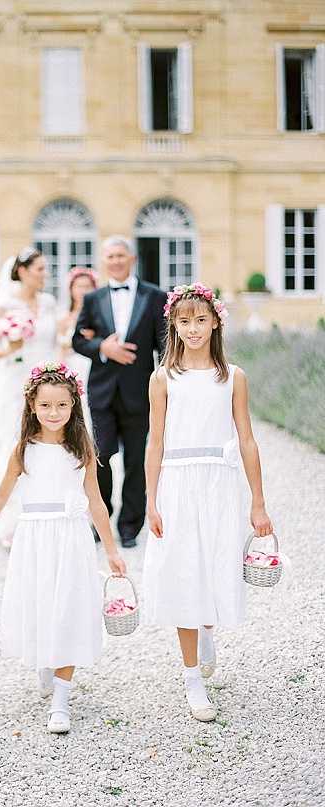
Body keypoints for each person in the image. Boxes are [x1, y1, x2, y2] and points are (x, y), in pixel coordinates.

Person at [142, 282, 273, 722]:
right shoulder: (162, 378)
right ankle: (192, 678)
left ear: (215, 321)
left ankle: (208, 629)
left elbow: (247, 439)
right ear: (173, 326)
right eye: (184, 321)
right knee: (183, 573)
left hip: (219, 482)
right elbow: (154, 441)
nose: (193, 329)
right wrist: (151, 500)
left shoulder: (233, 377)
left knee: (214, 565)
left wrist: (258, 502)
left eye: (201, 320)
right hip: (178, 483)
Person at [0, 361, 127, 734]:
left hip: (71, 537)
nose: (53, 413)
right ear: (32, 406)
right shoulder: (23, 451)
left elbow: (96, 501)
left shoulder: (82, 450)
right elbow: (1, 497)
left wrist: (111, 550)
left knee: (69, 608)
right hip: (33, 538)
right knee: (41, 604)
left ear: (74, 406)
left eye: (62, 405)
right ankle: (44, 659)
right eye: (45, 405)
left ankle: (62, 698)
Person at [72, 236, 167, 547]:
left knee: (136, 461)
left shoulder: (155, 296)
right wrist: (103, 347)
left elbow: (164, 346)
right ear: (104, 261)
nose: (115, 261)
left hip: (140, 391)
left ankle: (130, 527)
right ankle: (102, 520)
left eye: (120, 255)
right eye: (110, 256)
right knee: (100, 456)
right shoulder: (93, 298)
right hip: (101, 391)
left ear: (132, 258)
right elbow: (78, 340)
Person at [0, 248, 57, 461]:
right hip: (17, 377)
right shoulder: (5, 305)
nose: (45, 273)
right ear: (23, 271)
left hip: (48, 377)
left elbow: (55, 342)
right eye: (40, 269)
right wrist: (12, 348)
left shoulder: (49, 302)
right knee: (17, 431)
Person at [57, 267, 98, 427]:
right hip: (71, 367)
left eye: (87, 286)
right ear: (71, 289)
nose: (83, 291)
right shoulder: (63, 319)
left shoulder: (98, 317)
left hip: (90, 364)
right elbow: (59, 348)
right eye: (79, 286)